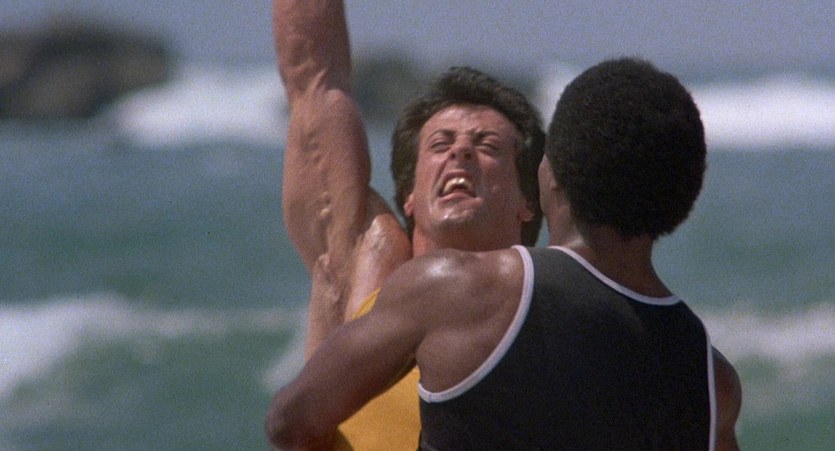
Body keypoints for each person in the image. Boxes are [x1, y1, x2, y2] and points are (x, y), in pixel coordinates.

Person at [266, 58, 742, 450]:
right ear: (683, 198)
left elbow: (290, 421)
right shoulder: (710, 379)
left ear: (549, 177)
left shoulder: (462, 290)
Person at [272, 0, 544, 449]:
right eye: (440, 143)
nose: (460, 151)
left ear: (528, 201)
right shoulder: (367, 269)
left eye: (487, 145)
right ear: (411, 196)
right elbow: (313, 79)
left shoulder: (551, 310)